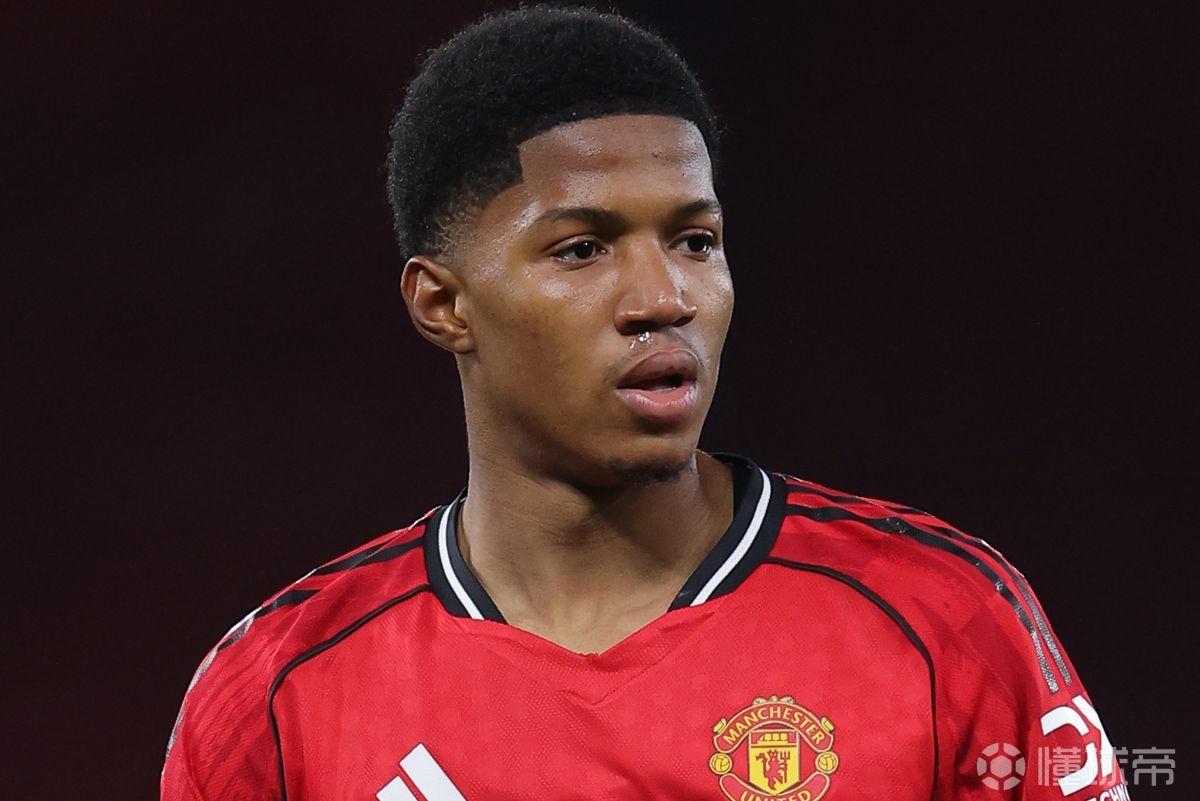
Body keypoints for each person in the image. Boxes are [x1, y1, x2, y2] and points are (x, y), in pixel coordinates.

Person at [162, 7, 1130, 800]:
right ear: (443, 304)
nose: (664, 298)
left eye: (695, 241)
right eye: (583, 249)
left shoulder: (945, 623)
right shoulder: (279, 700)